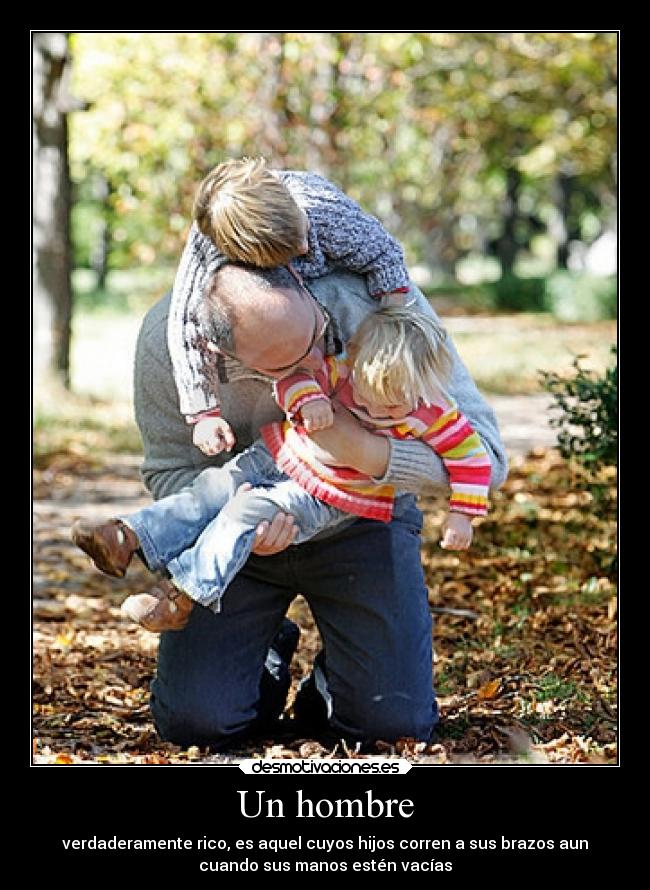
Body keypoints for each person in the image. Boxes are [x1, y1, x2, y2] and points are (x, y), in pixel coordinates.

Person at [105, 264, 507, 750]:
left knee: (390, 728)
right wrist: (236, 521)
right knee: (197, 724)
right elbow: (168, 470)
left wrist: (359, 449)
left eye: (316, 337)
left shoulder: (378, 300)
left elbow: (486, 456)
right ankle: (263, 647)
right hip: (236, 524)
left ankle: (341, 679)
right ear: (218, 349)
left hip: (360, 519)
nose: (311, 363)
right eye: (280, 363)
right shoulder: (167, 336)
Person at [71, 299, 492, 634]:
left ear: (423, 388)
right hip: (277, 454)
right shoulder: (346, 372)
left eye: (392, 403)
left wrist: (462, 514)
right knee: (217, 486)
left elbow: (473, 459)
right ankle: (130, 535)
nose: (371, 406)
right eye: (365, 393)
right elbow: (294, 377)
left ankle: (180, 597)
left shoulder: (435, 413)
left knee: (245, 511)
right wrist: (308, 399)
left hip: (327, 494)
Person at [168, 157, 414, 457]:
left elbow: (386, 256)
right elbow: (186, 324)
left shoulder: (325, 211)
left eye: (301, 233)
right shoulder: (210, 250)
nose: (304, 248)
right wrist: (204, 412)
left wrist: (391, 332)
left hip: (328, 306)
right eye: (289, 248)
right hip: (273, 311)